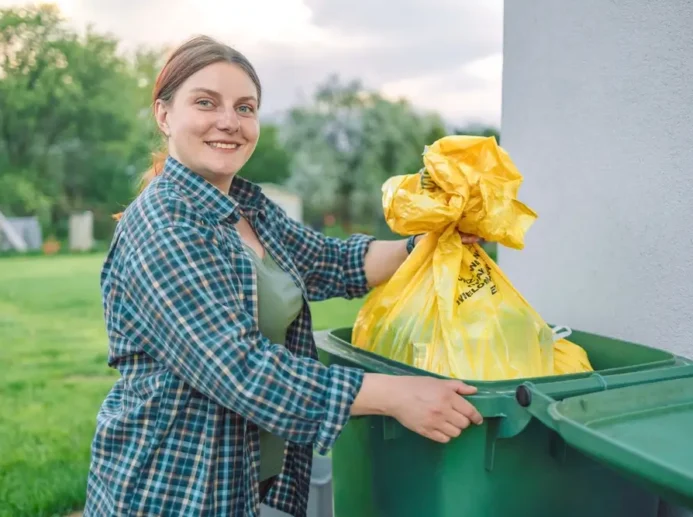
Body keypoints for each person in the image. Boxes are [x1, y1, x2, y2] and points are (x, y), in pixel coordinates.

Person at [84, 35, 483, 517]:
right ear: (164, 115)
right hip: (170, 488)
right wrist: (395, 394)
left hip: (242, 479)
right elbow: (240, 369)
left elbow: (332, 263)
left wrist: (426, 245)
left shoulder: (247, 208)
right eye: (206, 102)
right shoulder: (164, 225)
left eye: (245, 107)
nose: (229, 122)